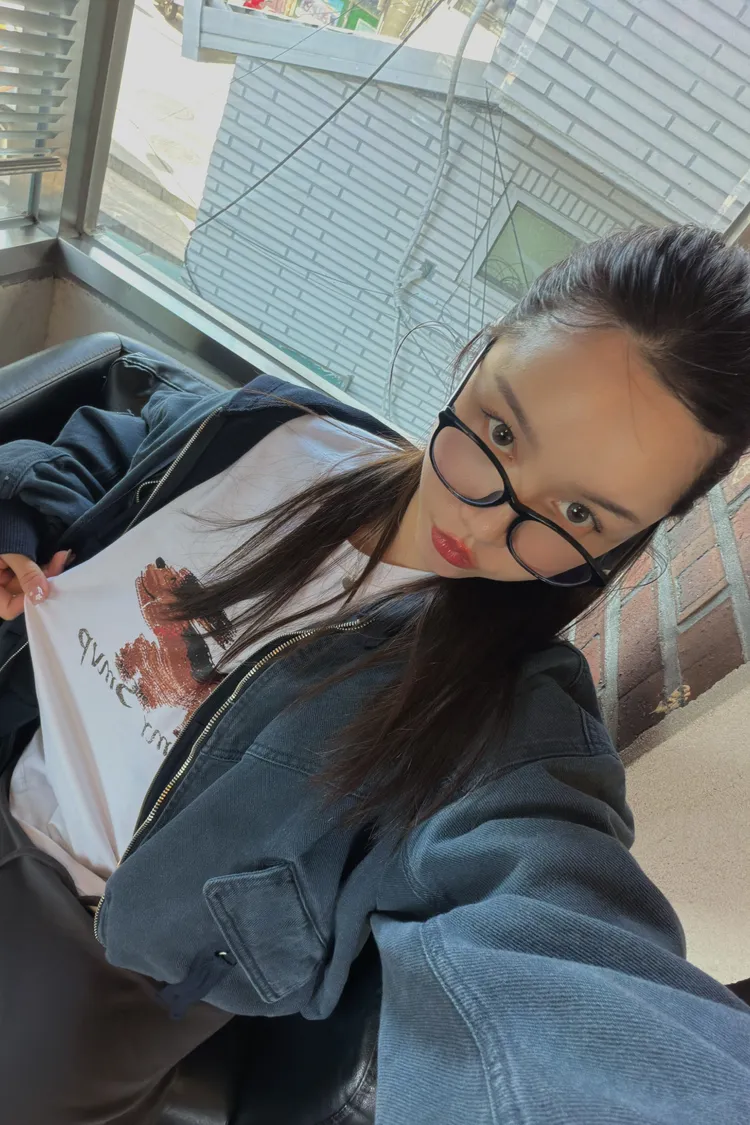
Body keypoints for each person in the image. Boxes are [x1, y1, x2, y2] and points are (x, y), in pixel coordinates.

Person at [0, 224, 749, 1124]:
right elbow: (99, 451)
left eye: (579, 513)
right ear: (485, 350)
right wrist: (24, 532)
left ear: (631, 537)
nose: (481, 522)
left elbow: (553, 926)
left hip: (104, 958)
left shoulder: (509, 729)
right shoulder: (270, 433)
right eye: (501, 431)